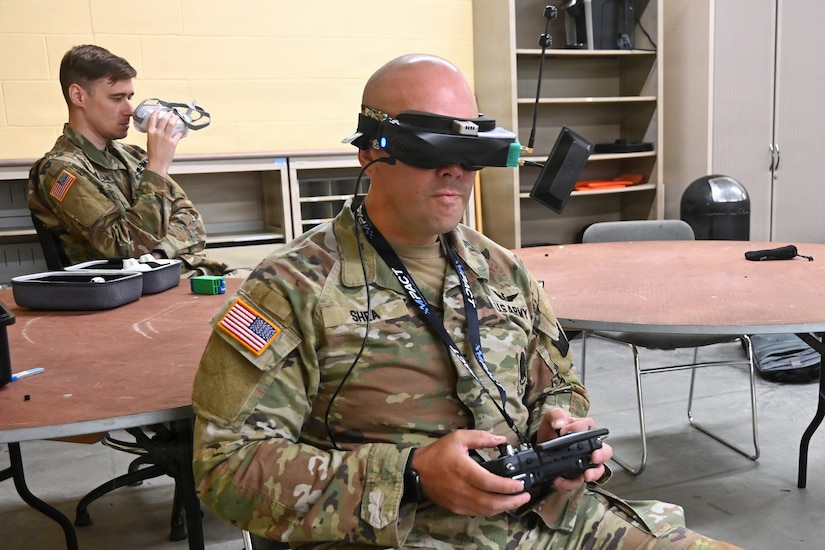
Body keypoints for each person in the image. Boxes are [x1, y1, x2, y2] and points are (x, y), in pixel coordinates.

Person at [191, 54, 742, 549]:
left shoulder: (503, 271)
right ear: (372, 151)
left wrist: (560, 427)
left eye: (470, 151)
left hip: (551, 522)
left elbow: (557, 386)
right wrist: (411, 475)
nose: (455, 170)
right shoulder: (291, 288)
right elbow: (225, 468)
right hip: (404, 533)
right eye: (432, 150)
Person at [28, 44, 226, 275]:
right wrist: (157, 168)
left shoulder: (133, 156)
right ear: (78, 96)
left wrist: (158, 255)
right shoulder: (60, 171)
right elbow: (124, 249)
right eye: (116, 98)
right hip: (127, 292)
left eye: (130, 97)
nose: (130, 110)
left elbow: (192, 222)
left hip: (178, 278)